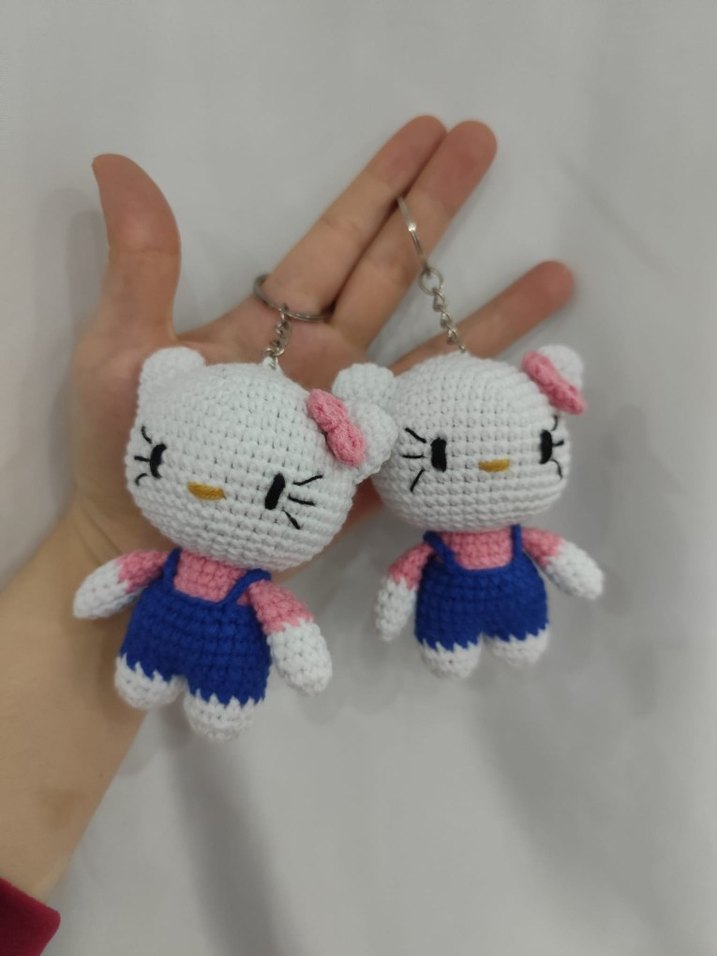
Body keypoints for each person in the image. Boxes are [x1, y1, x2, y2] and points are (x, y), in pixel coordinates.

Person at [0, 116, 574, 953]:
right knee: (172, 679)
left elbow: (265, 607)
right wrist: (99, 556)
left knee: (216, 690)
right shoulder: (202, 527)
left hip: (200, 621)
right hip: (157, 631)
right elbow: (145, 581)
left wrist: (99, 557)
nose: (204, 489)